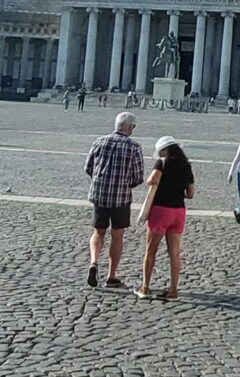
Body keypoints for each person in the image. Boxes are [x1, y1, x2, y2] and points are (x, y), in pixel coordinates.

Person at [83, 112, 145, 289]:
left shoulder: (99, 141)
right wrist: (126, 184)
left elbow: (88, 167)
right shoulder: (134, 147)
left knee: (98, 231)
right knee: (117, 235)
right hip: (121, 197)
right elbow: (138, 176)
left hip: (99, 194)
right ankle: (111, 275)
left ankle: (94, 262)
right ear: (130, 128)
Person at [137, 136, 194, 300]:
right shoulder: (186, 166)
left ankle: (145, 287)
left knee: (151, 250)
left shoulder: (162, 162)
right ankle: (173, 290)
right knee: (174, 253)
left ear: (165, 149)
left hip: (161, 210)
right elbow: (190, 193)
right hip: (178, 212)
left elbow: (151, 180)